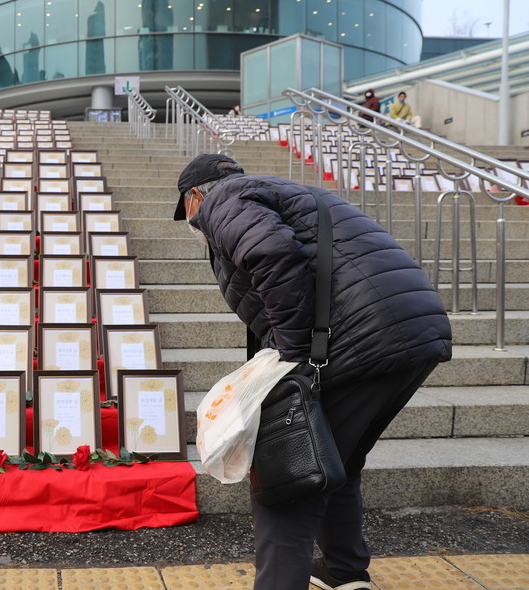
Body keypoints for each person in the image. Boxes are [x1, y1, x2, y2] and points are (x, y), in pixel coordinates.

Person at [174, 154, 452, 590]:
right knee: (335, 459)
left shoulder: (224, 199)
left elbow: (273, 254)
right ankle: (344, 570)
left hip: (361, 336)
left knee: (287, 482)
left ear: (194, 196)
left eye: (187, 213)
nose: (192, 224)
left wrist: (295, 353)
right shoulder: (280, 193)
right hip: (409, 330)